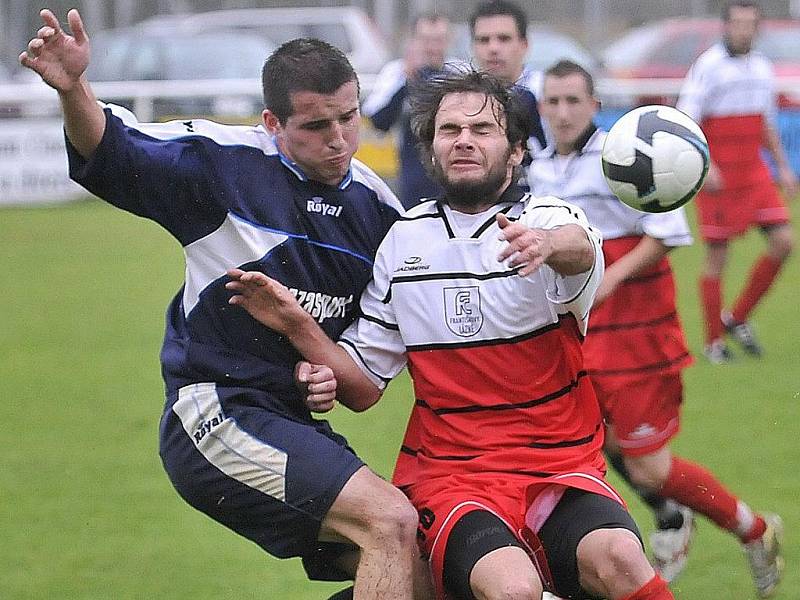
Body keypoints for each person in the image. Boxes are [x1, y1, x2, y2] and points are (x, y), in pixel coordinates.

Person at [20, 9, 433, 600]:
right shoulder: (220, 165)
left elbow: (360, 385)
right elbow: (111, 145)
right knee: (388, 521)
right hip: (214, 412)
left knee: (416, 566)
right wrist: (74, 87)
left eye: (349, 117)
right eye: (317, 126)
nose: (340, 138)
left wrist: (318, 365)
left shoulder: (380, 216)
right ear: (271, 122)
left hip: (291, 421)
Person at [227, 69, 677, 600]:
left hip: (561, 466)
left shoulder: (543, 216)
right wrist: (297, 326)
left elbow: (579, 245)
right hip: (453, 476)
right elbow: (363, 386)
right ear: (432, 149)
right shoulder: (402, 242)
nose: (464, 138)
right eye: (449, 129)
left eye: (482, 129)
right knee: (513, 589)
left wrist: (547, 244)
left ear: (514, 153)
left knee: (623, 559)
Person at [531, 59, 784, 597]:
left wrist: (609, 277)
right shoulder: (540, 164)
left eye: (573, 100)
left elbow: (666, 232)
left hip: (636, 332)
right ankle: (604, 555)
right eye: (552, 101)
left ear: (594, 106)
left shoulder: (625, 157)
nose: (562, 111)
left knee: (646, 466)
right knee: (580, 446)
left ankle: (753, 529)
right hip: (578, 333)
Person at [676, 0, 797, 363]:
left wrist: (783, 167)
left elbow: (765, 123)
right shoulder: (708, 67)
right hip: (720, 174)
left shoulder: (761, 67)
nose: (743, 30)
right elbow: (686, 119)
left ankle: (737, 318)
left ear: (758, 28)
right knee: (718, 256)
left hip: (753, 171)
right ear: (725, 27)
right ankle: (714, 343)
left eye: (750, 24)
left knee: (784, 242)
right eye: (737, 24)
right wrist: (706, 164)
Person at [363, 13, 452, 209]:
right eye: (426, 40)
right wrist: (408, 80)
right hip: (413, 172)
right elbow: (378, 121)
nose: (432, 47)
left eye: (438, 40)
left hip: (452, 171)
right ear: (414, 41)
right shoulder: (396, 72)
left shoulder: (458, 72)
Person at [469, 0, 547, 155]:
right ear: (473, 46)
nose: (493, 48)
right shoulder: (462, 97)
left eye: (504, 39)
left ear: (524, 44)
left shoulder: (547, 92)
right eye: (484, 40)